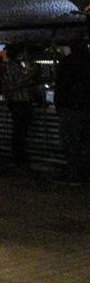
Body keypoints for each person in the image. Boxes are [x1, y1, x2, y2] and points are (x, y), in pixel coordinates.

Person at [54, 38, 90, 184]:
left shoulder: (67, 63)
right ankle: (85, 173)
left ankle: (74, 174)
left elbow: (61, 86)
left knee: (71, 144)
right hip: (85, 107)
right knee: (86, 143)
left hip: (70, 108)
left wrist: (59, 105)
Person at [1, 46, 38, 168]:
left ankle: (20, 158)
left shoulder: (17, 65)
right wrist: (29, 77)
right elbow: (13, 84)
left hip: (21, 101)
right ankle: (19, 159)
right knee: (19, 131)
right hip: (18, 102)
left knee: (21, 131)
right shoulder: (11, 66)